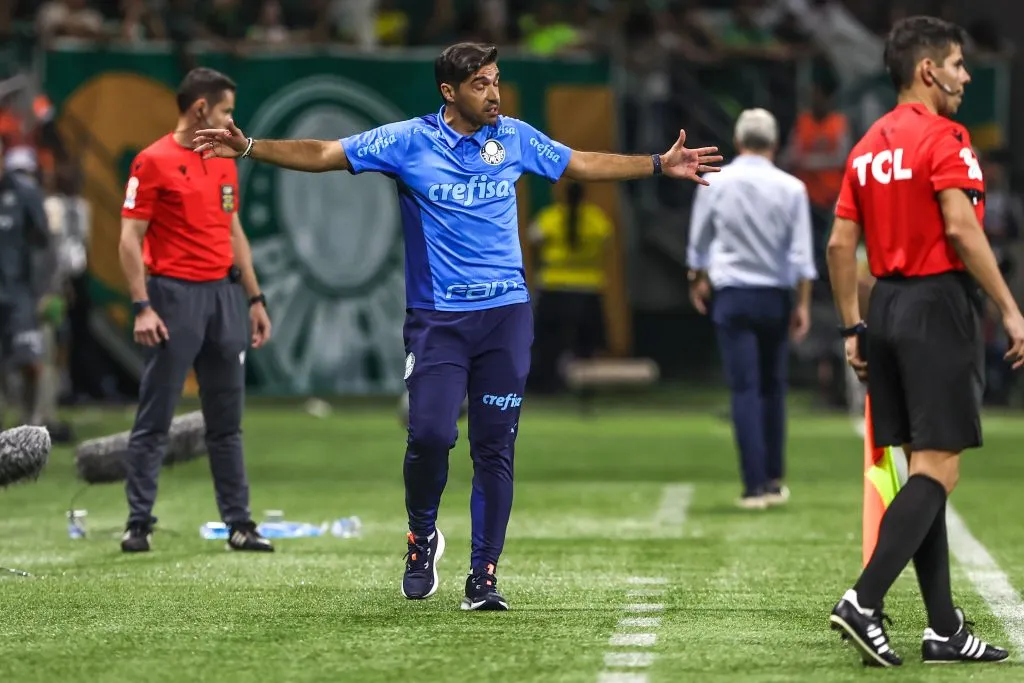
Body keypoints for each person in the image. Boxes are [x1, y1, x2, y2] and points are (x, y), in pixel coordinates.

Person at [194, 42, 722, 611]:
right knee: (429, 436)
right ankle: (421, 536)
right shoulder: (406, 141)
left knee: (494, 448)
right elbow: (324, 151)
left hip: (506, 317)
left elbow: (579, 163)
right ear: (450, 92)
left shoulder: (514, 138)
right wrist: (248, 147)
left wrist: (657, 164)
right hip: (438, 323)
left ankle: (484, 574)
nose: (493, 93)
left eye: (496, 81)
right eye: (480, 84)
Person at [825, 16, 1024, 667]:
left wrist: (855, 324)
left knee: (922, 470)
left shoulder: (867, 145)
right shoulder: (944, 137)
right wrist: (1010, 308)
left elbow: (838, 245)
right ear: (928, 70)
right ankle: (864, 598)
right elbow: (963, 231)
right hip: (937, 307)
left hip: (884, 308)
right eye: (959, 64)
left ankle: (943, 627)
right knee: (941, 468)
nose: (967, 76)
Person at [119, 67, 273, 554]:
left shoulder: (224, 158)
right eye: (226, 110)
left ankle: (239, 524)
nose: (232, 120)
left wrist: (254, 298)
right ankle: (138, 523)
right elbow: (129, 237)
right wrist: (142, 305)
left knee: (226, 422)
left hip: (224, 298)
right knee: (156, 417)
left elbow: (233, 230)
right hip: (173, 297)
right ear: (200, 108)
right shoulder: (153, 161)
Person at [687, 108, 816, 510]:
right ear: (774, 144)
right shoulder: (792, 187)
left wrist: (697, 280)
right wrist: (803, 304)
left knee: (743, 389)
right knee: (773, 388)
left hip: (733, 295)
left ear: (738, 142)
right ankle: (774, 478)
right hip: (775, 295)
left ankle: (753, 485)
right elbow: (802, 255)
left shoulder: (714, 181)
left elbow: (698, 243)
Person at [528, 180, 612, 394]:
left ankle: (546, 386)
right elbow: (606, 239)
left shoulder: (550, 218)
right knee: (586, 344)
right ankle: (586, 390)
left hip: (553, 287)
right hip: (587, 289)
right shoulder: (595, 219)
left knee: (548, 344)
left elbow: (533, 240)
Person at [0, 139, 56, 430]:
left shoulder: (24, 193)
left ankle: (31, 423)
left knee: (30, 362)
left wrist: (46, 290)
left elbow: (46, 245)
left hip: (20, 295)